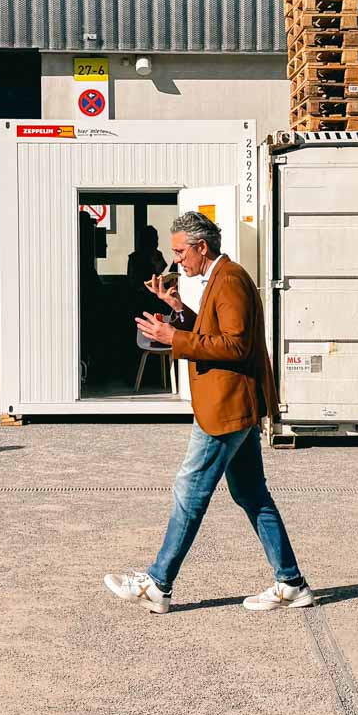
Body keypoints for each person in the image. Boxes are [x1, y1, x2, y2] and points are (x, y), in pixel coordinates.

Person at [104, 211, 311, 614]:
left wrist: (174, 337)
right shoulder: (221, 277)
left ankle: (158, 583)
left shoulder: (230, 280)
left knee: (189, 491)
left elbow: (235, 346)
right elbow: (214, 334)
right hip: (232, 405)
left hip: (226, 407)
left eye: (181, 251)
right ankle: (291, 582)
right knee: (252, 494)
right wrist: (178, 309)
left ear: (202, 247)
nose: (176, 259)